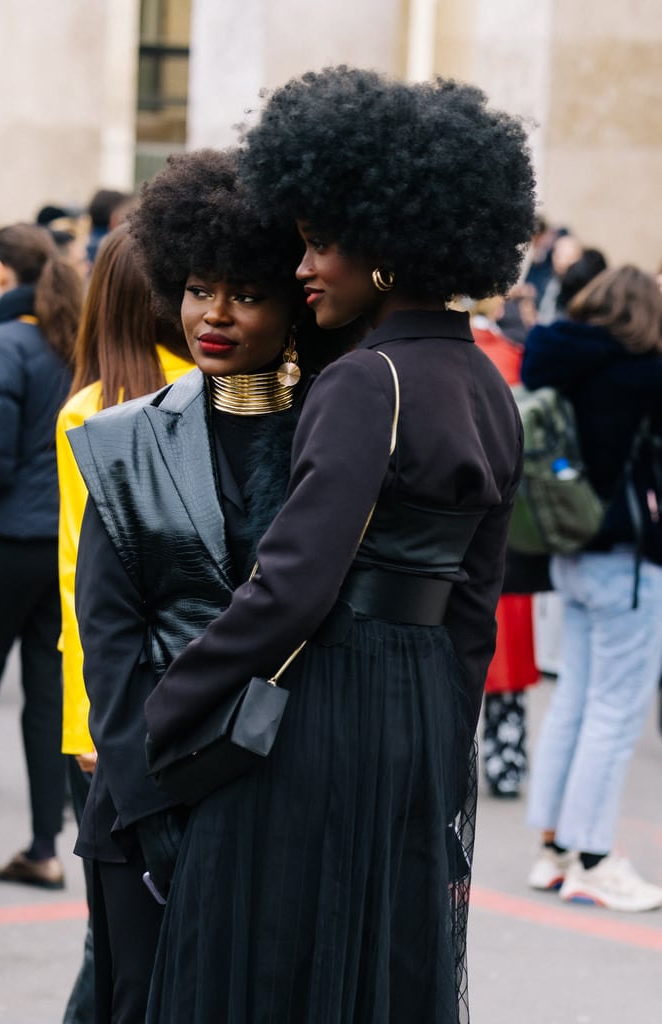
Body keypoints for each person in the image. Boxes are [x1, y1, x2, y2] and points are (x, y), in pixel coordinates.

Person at [143, 67, 536, 1023]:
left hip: (327, 702)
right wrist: (446, 733)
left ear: (388, 248)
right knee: (375, 959)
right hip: (417, 708)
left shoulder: (366, 382)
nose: (304, 266)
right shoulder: (486, 384)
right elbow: (475, 604)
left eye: (321, 243)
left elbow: (290, 587)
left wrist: (171, 705)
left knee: (266, 954)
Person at [68, 149, 347, 1024]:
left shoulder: (333, 441)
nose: (212, 315)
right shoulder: (119, 440)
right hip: (142, 794)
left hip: (285, 797)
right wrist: (147, 810)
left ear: (293, 302)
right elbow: (108, 640)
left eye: (244, 293)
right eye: (195, 288)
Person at [56, 222, 194, 1024]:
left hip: (103, 712)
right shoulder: (222, 387)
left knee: (112, 937)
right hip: (191, 703)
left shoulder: (90, 408)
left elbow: (82, 581)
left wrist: (84, 725)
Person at [524, 265, 662, 912]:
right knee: (614, 711)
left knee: (574, 702)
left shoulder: (558, 359)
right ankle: (594, 860)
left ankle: (553, 850)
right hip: (627, 560)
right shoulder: (643, 374)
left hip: (568, 551)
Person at [0, 223, 81, 886]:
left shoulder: (4, 345)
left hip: (1, 539)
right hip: (62, 544)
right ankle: (46, 846)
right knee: (50, 700)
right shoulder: (73, 343)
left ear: (2, 274)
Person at [469, 297, 541, 798]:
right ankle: (506, 759)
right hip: (507, 521)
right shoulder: (514, 357)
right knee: (508, 645)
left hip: (450, 519)